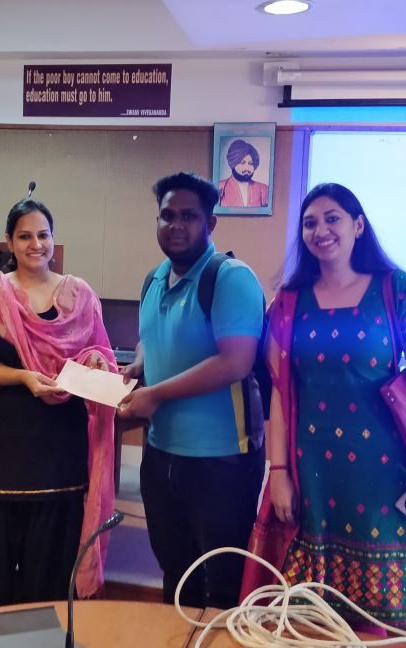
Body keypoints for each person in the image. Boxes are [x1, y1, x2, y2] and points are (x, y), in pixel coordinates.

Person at [266, 182, 406, 628]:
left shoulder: (395, 288)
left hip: (384, 472)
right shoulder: (289, 302)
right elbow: (279, 390)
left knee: (380, 617)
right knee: (309, 615)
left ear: (358, 226)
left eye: (333, 219)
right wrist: (278, 472)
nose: (321, 230)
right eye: (310, 223)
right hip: (312, 472)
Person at [0, 199, 116, 610]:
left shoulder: (79, 295)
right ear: (9, 241)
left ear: (53, 238)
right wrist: (22, 376)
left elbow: (99, 354)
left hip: (59, 452)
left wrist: (95, 362)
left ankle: (44, 639)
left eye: (43, 235)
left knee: (49, 573)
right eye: (25, 236)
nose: (36, 244)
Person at [117, 172, 266, 609]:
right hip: (161, 454)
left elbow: (235, 361)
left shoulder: (230, 278)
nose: (176, 225)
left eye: (189, 216)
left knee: (222, 586)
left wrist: (156, 394)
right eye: (167, 216)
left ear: (210, 223)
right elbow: (151, 337)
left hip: (222, 461)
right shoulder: (154, 279)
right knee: (176, 575)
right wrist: (140, 365)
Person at [217, 138, 269, 208]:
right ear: (233, 163)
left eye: (250, 163)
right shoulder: (220, 187)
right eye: (242, 163)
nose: (247, 168)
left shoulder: (264, 189)